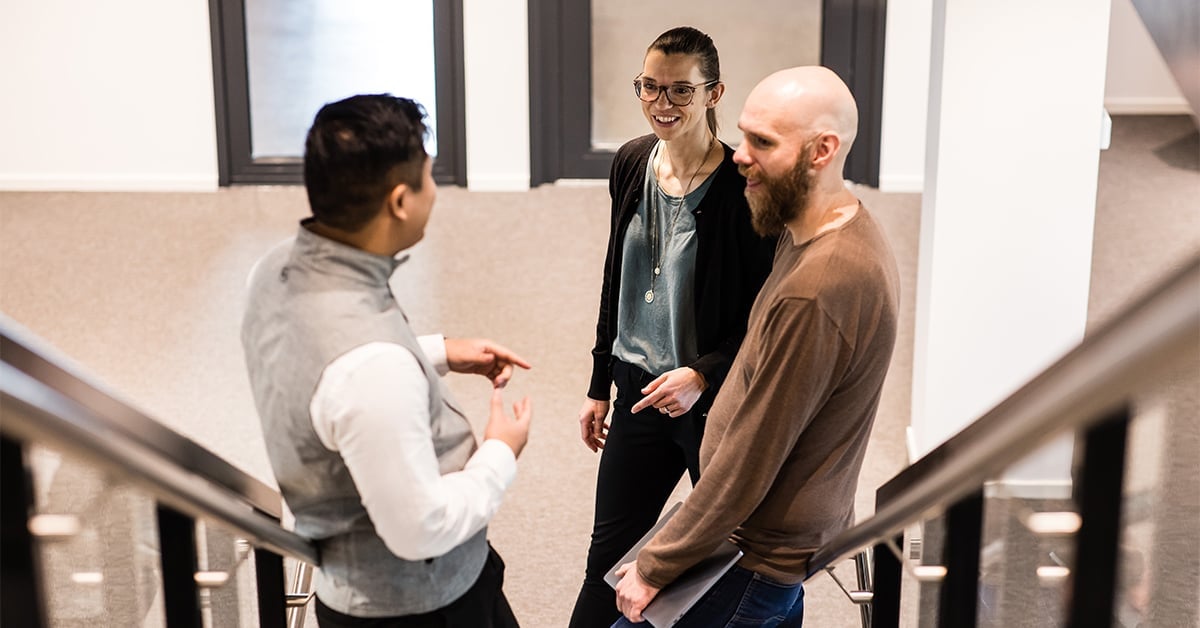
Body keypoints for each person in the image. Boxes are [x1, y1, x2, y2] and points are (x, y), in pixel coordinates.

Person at [612, 65, 901, 626]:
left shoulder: (819, 288)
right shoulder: (822, 227)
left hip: (751, 555)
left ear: (823, 151)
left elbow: (754, 456)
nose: (739, 154)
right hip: (759, 539)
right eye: (743, 134)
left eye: (762, 142)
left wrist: (657, 563)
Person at [240, 94, 532, 627]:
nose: (435, 190)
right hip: (421, 606)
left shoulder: (273, 268)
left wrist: (440, 352)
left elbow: (327, 374)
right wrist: (500, 454)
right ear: (400, 200)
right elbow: (421, 528)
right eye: (428, 175)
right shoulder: (372, 369)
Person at [570, 26, 777, 627]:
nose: (663, 104)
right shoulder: (632, 162)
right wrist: (598, 382)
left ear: (715, 93)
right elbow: (617, 279)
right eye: (650, 88)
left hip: (709, 407)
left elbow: (766, 316)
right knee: (606, 559)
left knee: (736, 555)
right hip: (637, 395)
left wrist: (703, 376)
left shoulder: (743, 188)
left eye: (681, 91)